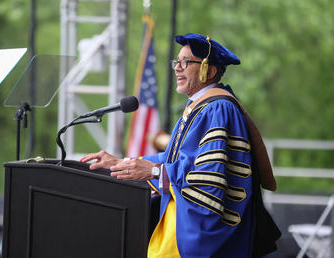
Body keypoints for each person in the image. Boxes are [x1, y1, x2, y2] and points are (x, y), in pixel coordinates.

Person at [80, 33, 280, 257]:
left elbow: (209, 178)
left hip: (204, 240)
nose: (177, 68)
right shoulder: (198, 108)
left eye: (186, 62)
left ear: (210, 71)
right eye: (177, 62)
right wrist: (121, 163)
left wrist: (155, 172)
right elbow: (174, 160)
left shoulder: (218, 109)